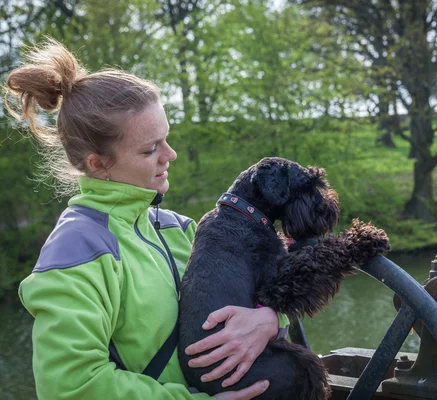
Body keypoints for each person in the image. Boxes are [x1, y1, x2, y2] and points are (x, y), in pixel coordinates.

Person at [5, 39, 289, 400]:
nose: (169, 155)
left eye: (166, 139)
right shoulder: (76, 250)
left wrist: (268, 319)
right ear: (98, 163)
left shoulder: (182, 229)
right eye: (150, 148)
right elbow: (70, 387)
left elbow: (268, 292)